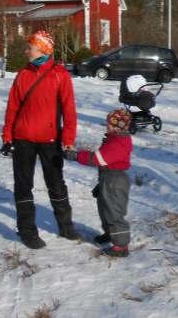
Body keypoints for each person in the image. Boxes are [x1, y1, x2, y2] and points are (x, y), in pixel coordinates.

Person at [1, 30, 80, 249]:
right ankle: (27, 231)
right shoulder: (22, 75)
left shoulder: (59, 75)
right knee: (23, 185)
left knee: (56, 184)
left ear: (43, 49)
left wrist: (68, 138)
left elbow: (69, 110)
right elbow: (12, 108)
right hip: (22, 139)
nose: (27, 50)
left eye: (31, 46)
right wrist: (7, 136)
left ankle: (66, 226)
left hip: (50, 140)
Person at [64, 109, 133, 257]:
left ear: (118, 126)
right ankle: (110, 234)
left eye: (109, 124)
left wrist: (76, 156)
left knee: (114, 212)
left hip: (115, 180)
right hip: (108, 178)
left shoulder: (119, 142)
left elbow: (98, 159)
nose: (107, 126)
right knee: (105, 209)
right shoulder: (114, 138)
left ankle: (121, 246)